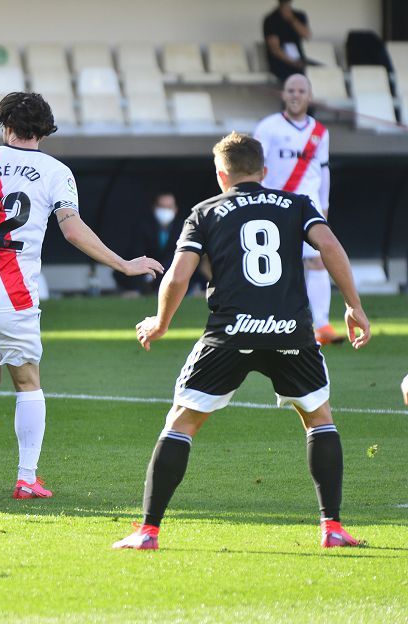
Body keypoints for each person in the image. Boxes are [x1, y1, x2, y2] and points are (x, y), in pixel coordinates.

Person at [113, 132, 370, 551]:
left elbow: (178, 276)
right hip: (291, 331)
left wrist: (160, 323)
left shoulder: (204, 211)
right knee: (319, 418)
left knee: (182, 422)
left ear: (221, 175)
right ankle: (332, 528)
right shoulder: (296, 204)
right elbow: (329, 246)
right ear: (264, 171)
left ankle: (148, 532)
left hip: (230, 332)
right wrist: (354, 305)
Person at [0, 92, 164, 498]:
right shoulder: (56, 172)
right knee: (27, 382)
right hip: (10, 294)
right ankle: (26, 477)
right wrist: (122, 264)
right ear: (45, 130)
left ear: (4, 126)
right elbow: (72, 230)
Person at [254, 74, 341, 345]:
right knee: (277, 265)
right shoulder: (267, 127)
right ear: (283, 94)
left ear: (309, 96)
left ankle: (323, 324)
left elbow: (323, 172)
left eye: (301, 90)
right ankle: (272, 322)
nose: (295, 94)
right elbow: (254, 168)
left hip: (310, 207)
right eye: (290, 89)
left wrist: (324, 206)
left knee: (316, 260)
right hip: (276, 205)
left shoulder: (320, 132)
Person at [114, 192, 185, 297]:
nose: (165, 211)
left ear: (175, 209)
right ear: (154, 208)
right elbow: (136, 254)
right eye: (162, 207)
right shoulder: (142, 226)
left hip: (169, 276)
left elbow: (178, 258)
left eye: (169, 207)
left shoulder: (183, 228)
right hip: (139, 276)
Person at [263, 0, 311, 82]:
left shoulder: (299, 16)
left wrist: (292, 19)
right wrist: (293, 62)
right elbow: (275, 49)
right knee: (295, 75)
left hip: (298, 58)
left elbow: (306, 35)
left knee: (319, 70)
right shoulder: (270, 19)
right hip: (281, 62)